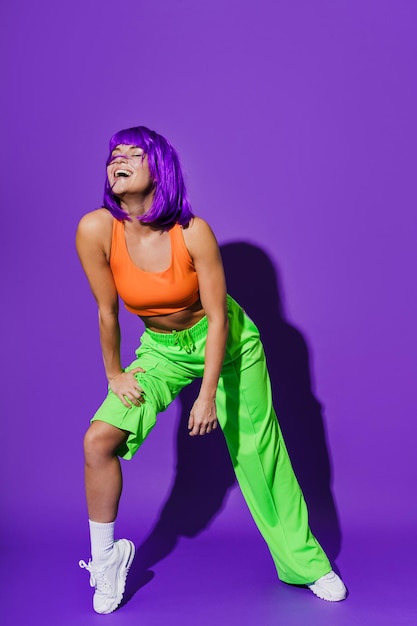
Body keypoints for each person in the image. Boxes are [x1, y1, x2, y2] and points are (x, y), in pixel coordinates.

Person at [76, 126, 347, 614]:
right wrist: (115, 374)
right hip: (161, 350)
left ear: (159, 169)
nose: (118, 159)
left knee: (257, 452)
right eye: (113, 154)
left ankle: (306, 564)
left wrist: (205, 395)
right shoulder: (96, 229)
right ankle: (106, 561)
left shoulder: (192, 232)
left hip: (230, 345)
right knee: (98, 441)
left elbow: (219, 317)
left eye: (132, 154)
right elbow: (107, 310)